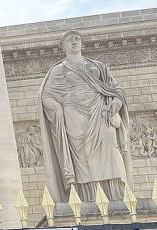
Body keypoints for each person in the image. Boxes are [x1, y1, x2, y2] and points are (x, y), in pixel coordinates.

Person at [38, 30, 133, 203]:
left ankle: (115, 194)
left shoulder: (98, 66)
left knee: (109, 142)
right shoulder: (59, 69)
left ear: (82, 43)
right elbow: (46, 96)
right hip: (74, 114)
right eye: (69, 40)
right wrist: (58, 110)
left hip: (101, 110)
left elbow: (116, 88)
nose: (74, 42)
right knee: (84, 155)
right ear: (62, 46)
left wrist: (116, 103)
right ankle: (86, 197)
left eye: (77, 39)